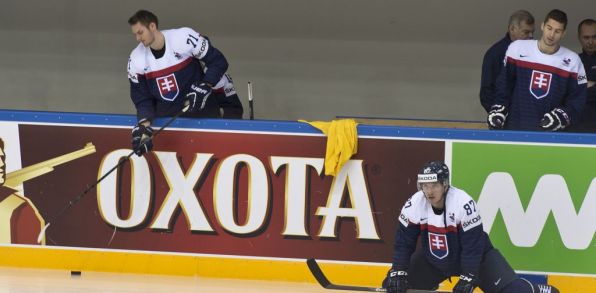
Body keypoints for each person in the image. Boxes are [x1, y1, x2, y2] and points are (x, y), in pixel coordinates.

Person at [382, 161, 560, 293]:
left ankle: (537, 289)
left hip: (478, 259)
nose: (429, 191)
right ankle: (427, 282)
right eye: (425, 186)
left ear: (444, 185)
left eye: (434, 185)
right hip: (435, 260)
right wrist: (399, 269)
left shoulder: (463, 203)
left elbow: (473, 247)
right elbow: (404, 242)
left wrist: (469, 276)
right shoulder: (415, 203)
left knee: (515, 292)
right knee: (393, 285)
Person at [126, 10, 244, 156]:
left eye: (140, 32)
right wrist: (144, 127)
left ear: (152, 26)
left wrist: (205, 84)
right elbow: (142, 98)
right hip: (170, 131)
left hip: (204, 123)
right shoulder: (135, 59)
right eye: (135, 34)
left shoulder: (183, 37)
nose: (138, 38)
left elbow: (218, 61)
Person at [487, 9, 587, 131]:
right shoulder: (517, 48)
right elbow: (504, 85)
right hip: (515, 129)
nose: (551, 35)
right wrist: (499, 108)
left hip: (550, 135)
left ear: (563, 33)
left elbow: (578, 99)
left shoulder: (573, 61)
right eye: (549, 28)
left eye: (557, 31)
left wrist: (561, 116)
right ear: (542, 26)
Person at [480, 10, 535, 112]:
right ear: (512, 29)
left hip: (529, 117)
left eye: (532, 32)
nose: (531, 36)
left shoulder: (536, 54)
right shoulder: (495, 54)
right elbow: (486, 93)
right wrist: (499, 115)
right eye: (526, 32)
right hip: (505, 120)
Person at [567, 19, 596, 132]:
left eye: (594, 37)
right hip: (576, 124)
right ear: (579, 38)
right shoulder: (572, 62)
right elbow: (567, 93)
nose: (590, 42)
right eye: (586, 37)